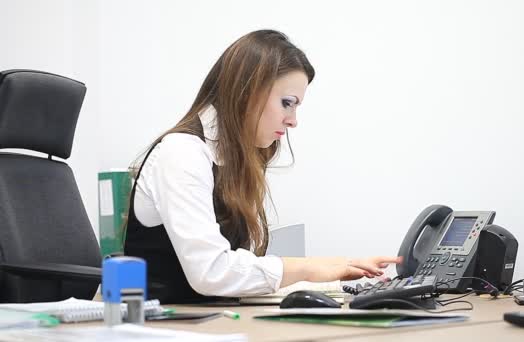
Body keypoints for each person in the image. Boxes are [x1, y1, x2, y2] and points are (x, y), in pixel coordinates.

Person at [124, 29, 402, 303]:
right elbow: (210, 272)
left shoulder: (232, 157)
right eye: (287, 103)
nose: (293, 120)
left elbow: (233, 268)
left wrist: (340, 265)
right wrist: (309, 268)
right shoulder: (182, 152)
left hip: (212, 321)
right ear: (247, 92)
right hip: (169, 327)